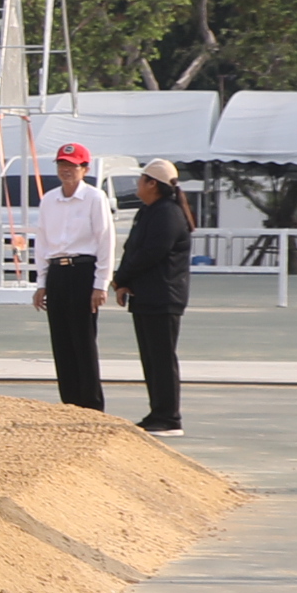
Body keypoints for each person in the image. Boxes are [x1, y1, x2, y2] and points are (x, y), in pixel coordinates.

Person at [20, 143, 115, 412]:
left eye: (72, 165)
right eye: (62, 164)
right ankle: (69, 401)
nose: (66, 170)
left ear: (84, 168)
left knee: (83, 339)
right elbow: (42, 241)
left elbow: (105, 241)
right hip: (58, 271)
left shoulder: (95, 198)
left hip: (84, 269)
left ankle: (91, 404)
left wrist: (101, 283)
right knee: (61, 339)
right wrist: (41, 282)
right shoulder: (49, 199)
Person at [110, 157, 198, 437]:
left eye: (141, 179)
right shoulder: (150, 211)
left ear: (153, 184)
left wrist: (121, 278)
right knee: (151, 357)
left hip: (163, 295)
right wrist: (124, 281)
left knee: (161, 358)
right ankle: (158, 412)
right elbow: (132, 249)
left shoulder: (168, 213)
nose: (137, 184)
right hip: (147, 295)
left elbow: (151, 253)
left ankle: (170, 417)